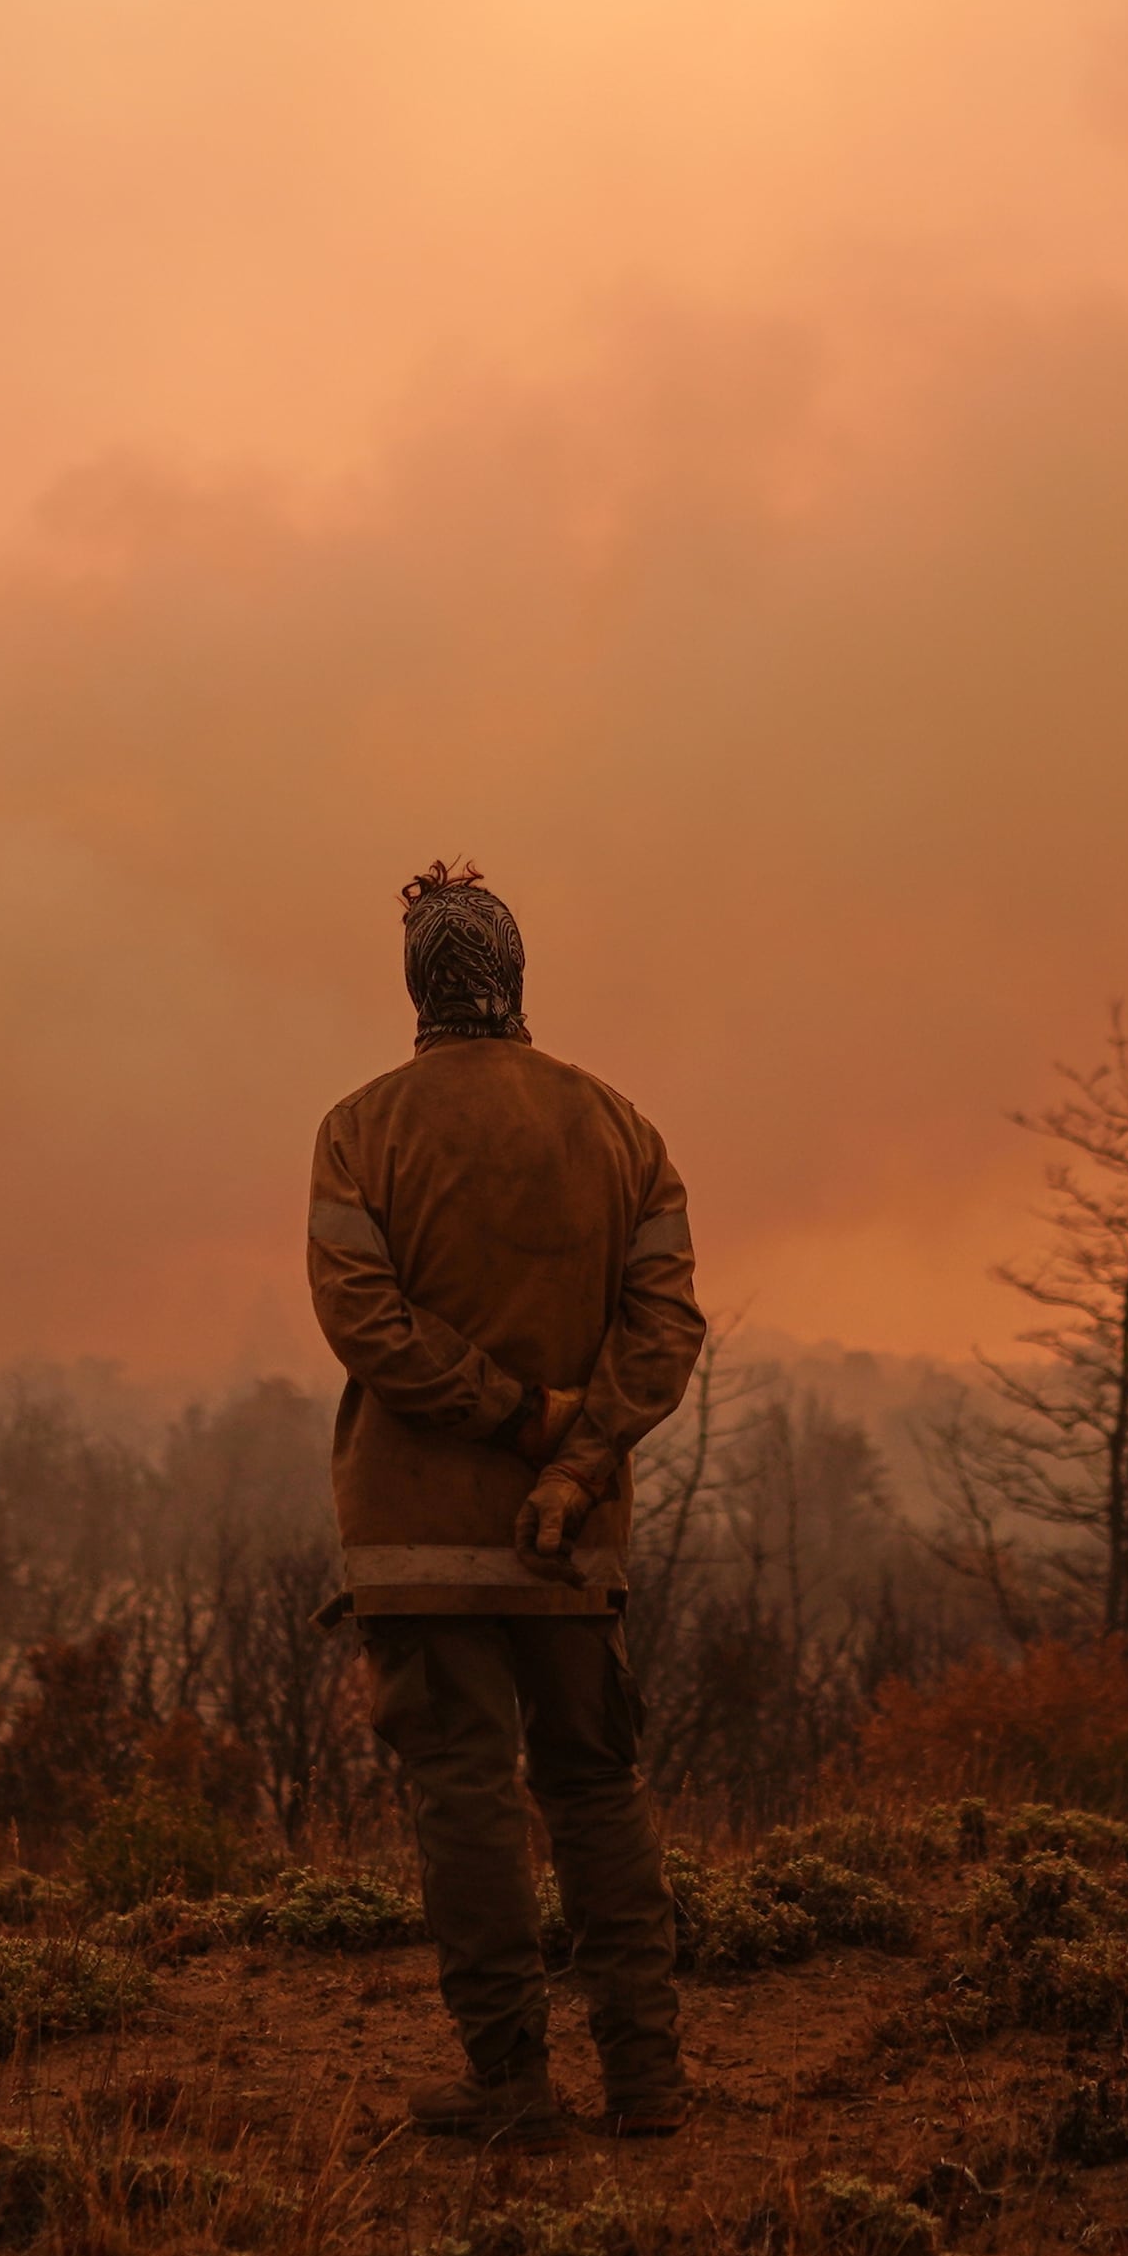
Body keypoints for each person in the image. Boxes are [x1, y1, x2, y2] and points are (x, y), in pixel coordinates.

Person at [306, 861, 706, 2144]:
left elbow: (365, 1324)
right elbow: (664, 1331)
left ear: (413, 985)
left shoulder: (359, 1130)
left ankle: (510, 2085)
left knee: (464, 1795)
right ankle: (645, 2085)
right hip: (572, 1545)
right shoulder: (620, 1129)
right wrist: (575, 1461)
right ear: (517, 978)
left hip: (415, 1543)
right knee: (595, 1785)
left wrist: (510, 1418)